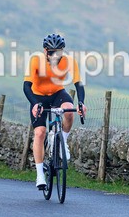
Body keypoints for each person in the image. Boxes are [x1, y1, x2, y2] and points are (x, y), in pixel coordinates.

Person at [23, 33, 86, 190]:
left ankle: (62, 141)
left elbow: (79, 84)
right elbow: (26, 86)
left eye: (58, 53)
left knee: (69, 112)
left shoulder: (69, 61)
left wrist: (81, 103)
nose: (55, 56)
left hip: (57, 93)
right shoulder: (35, 60)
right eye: (51, 53)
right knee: (40, 132)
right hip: (38, 97)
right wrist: (35, 103)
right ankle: (40, 175)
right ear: (45, 51)